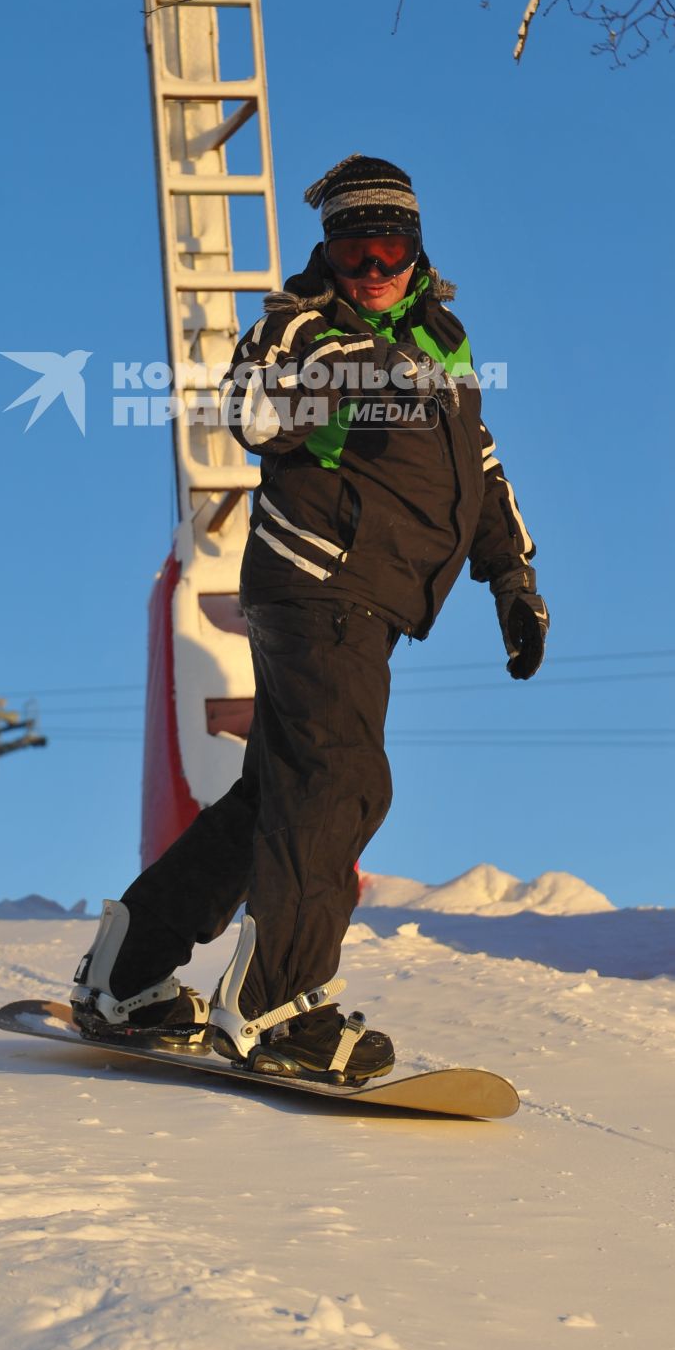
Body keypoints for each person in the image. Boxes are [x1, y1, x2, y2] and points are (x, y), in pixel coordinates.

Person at [69, 154, 548, 1082]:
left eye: (387, 247)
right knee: (340, 781)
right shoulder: (298, 327)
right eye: (351, 249)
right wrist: (353, 381)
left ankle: (127, 972)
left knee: (276, 797)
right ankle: (276, 1004)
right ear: (326, 254)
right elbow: (249, 412)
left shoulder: (444, 341)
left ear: (415, 249)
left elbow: (477, 468)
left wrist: (512, 580)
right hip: (318, 583)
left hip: (373, 600)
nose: (371, 268)